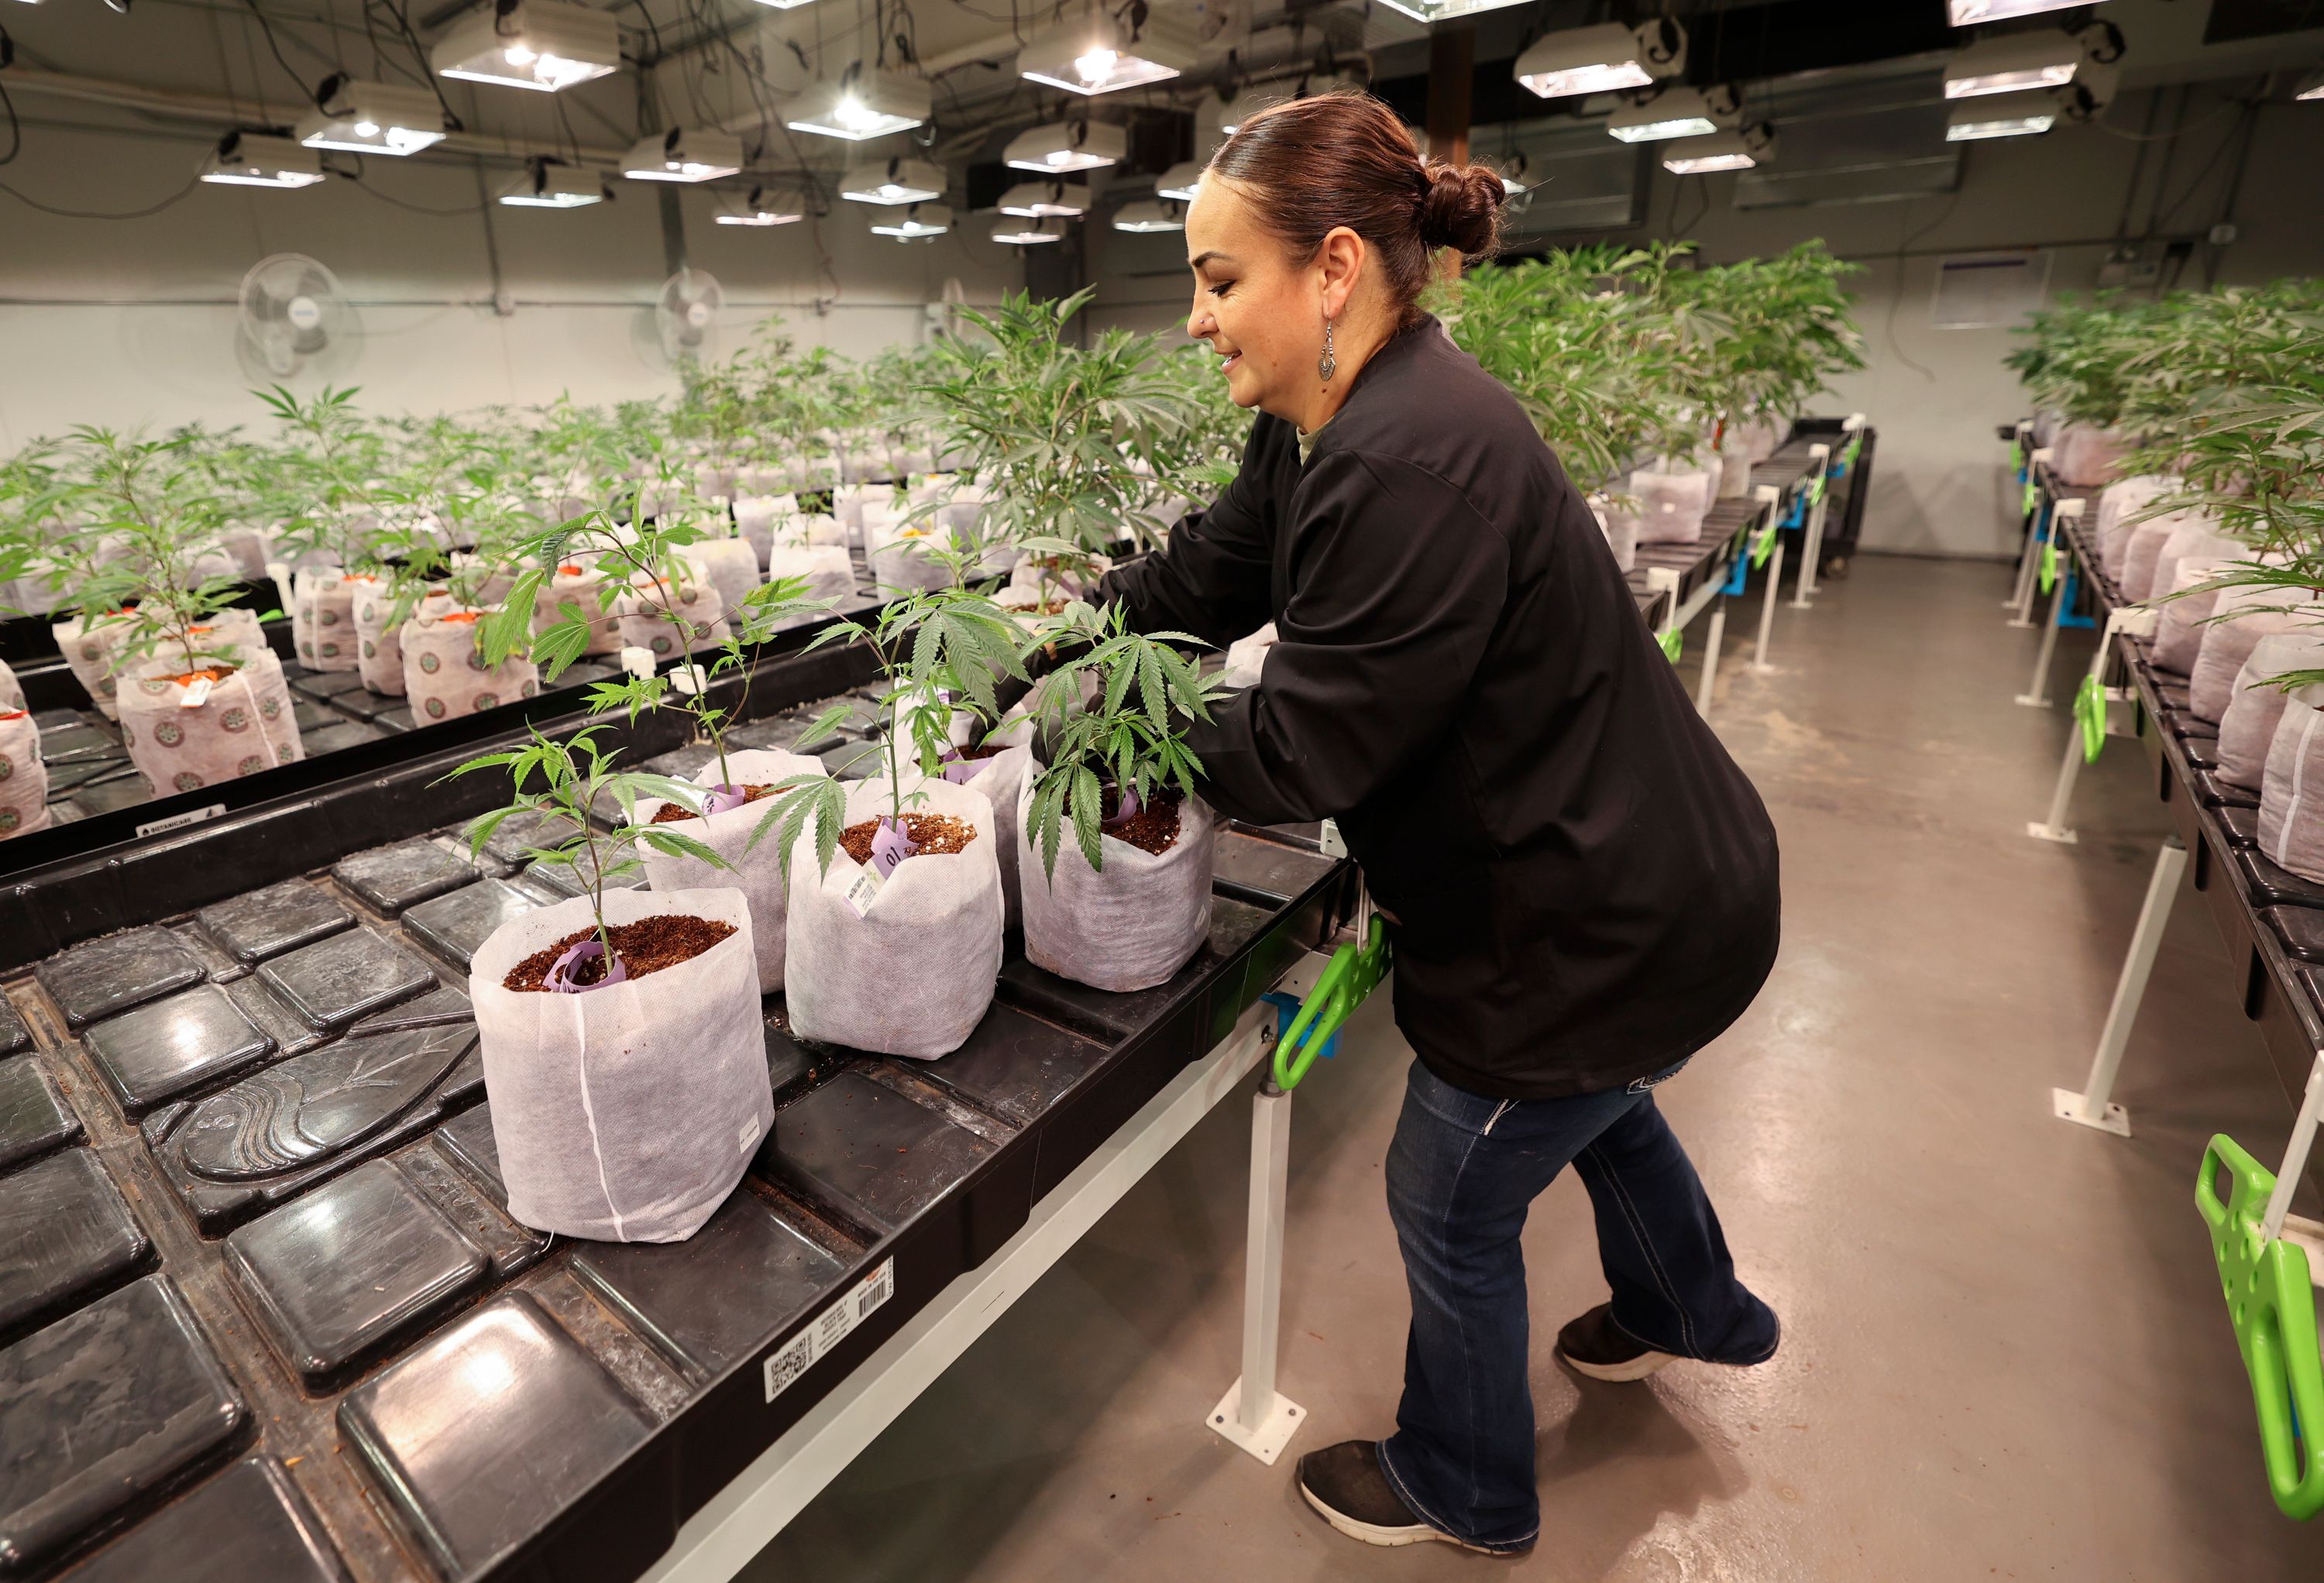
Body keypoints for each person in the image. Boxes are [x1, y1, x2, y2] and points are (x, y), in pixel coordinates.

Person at [1098, 91, 1784, 1557]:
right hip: (1650, 882)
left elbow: (1301, 747)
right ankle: (1694, 1305)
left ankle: (1464, 1481)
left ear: (1332, 270)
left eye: (1221, 280)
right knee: (1603, 1103)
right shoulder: (1325, 420)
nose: (1197, 318)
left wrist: (1116, 726)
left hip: (1600, 920)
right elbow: (1215, 571)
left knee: (1451, 1189)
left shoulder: (1408, 456)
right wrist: (1070, 634)